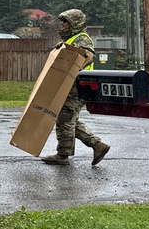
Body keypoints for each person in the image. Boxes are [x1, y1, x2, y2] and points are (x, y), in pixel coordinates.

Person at [41, 9, 110, 167]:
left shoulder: (82, 39)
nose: (62, 24)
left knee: (65, 119)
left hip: (78, 87)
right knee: (69, 119)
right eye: (62, 21)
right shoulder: (72, 39)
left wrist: (72, 67)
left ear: (75, 23)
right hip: (71, 87)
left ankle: (62, 154)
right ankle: (98, 145)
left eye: (65, 22)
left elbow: (87, 55)